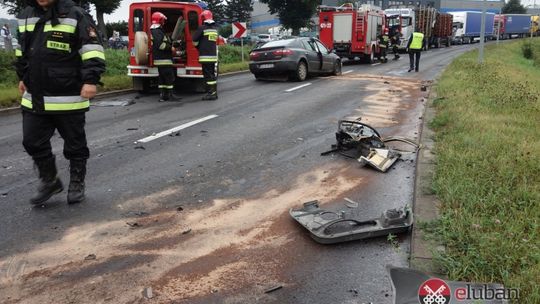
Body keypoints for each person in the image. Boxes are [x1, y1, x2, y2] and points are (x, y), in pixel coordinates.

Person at [15, 0, 106, 205]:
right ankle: (50, 181)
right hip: (35, 95)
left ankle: (76, 182)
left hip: (69, 95)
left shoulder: (76, 14)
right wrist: (22, 76)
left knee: (75, 145)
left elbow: (92, 49)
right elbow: (23, 49)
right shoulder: (26, 15)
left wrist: (91, 80)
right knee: (32, 141)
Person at [150, 12, 178, 102]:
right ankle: (170, 95)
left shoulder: (157, 31)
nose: (164, 22)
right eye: (163, 20)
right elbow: (161, 45)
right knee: (169, 78)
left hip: (160, 59)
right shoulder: (157, 31)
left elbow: (163, 41)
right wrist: (171, 48)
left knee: (162, 79)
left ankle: (163, 96)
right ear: (160, 20)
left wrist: (173, 43)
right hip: (164, 59)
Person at [192, 10, 218, 100]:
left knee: (208, 76)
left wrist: (198, 47)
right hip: (213, 57)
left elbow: (194, 40)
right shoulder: (215, 29)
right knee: (212, 75)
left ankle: (211, 94)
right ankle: (214, 92)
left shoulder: (202, 28)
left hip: (205, 57)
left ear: (203, 18)